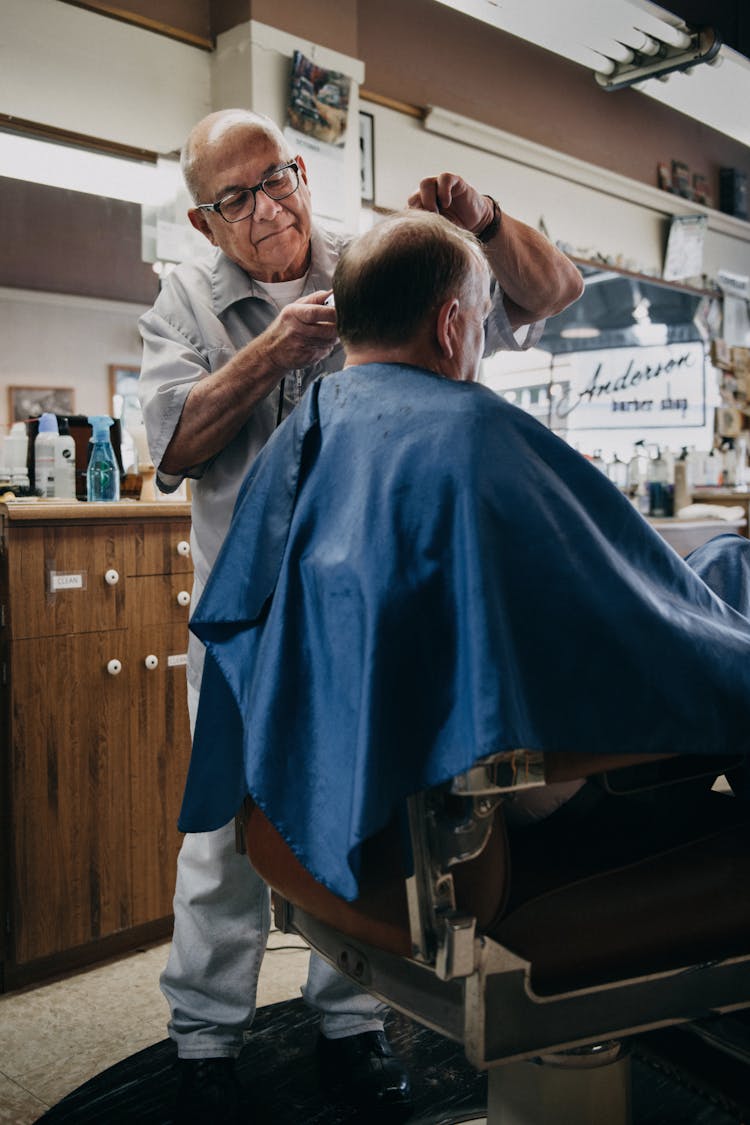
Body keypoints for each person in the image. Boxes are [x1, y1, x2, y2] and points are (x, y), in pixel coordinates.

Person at [137, 108, 584, 1122]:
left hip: (370, 621)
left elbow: (552, 294)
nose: (270, 204)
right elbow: (172, 447)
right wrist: (272, 353)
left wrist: (491, 221)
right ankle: (204, 1043)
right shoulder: (184, 306)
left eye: (280, 174)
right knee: (225, 840)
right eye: (237, 197)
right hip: (254, 620)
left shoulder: (374, 261)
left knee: (368, 815)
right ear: (207, 224)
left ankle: (350, 1025)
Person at [182, 210, 750, 914]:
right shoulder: (474, 430)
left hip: (370, 788)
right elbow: (627, 608)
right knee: (730, 582)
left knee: (722, 570)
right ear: (453, 325)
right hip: (511, 793)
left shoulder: (301, 439)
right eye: (483, 319)